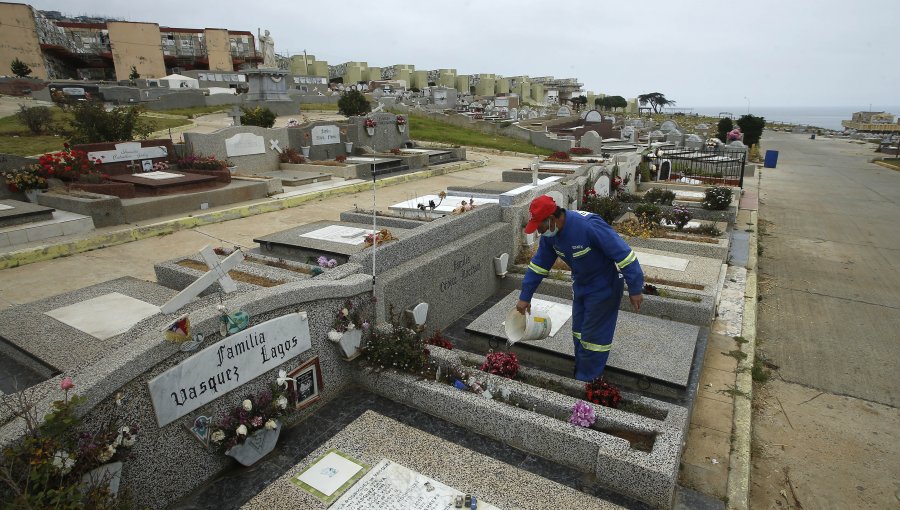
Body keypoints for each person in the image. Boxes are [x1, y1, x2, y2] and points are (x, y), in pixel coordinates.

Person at [516, 195, 644, 382]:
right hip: (581, 285)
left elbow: (625, 256)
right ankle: (582, 368)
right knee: (579, 331)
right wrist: (525, 296)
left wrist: (635, 288)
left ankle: (588, 381)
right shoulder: (550, 237)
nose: (538, 233)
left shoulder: (588, 226)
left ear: (551, 219)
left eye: (540, 227)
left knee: (594, 338)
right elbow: (538, 265)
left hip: (604, 287)